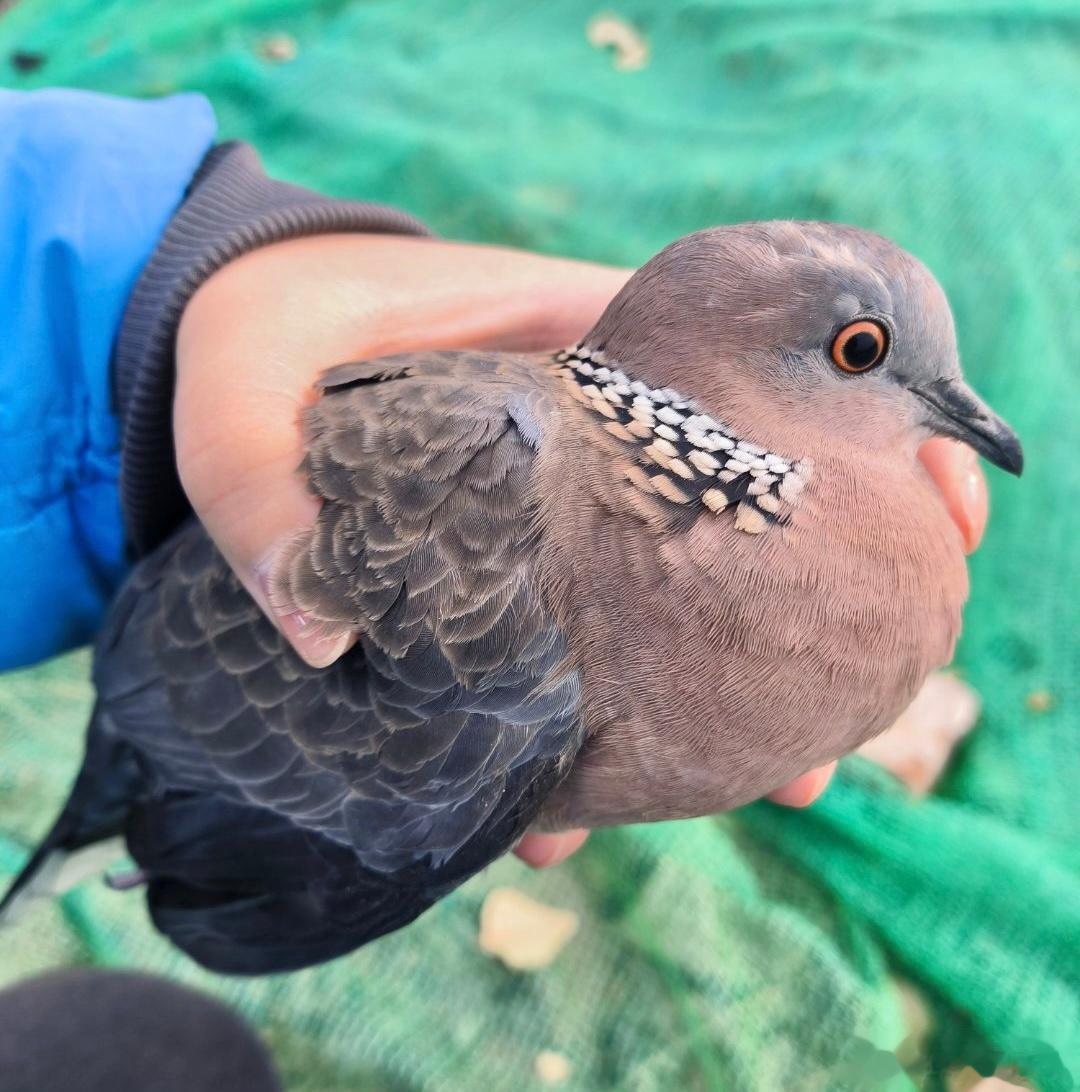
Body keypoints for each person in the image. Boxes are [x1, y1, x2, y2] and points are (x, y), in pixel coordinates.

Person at [0, 87, 990, 869]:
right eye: (862, 351)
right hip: (179, 688)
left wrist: (192, 275)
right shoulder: (507, 529)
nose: (979, 426)